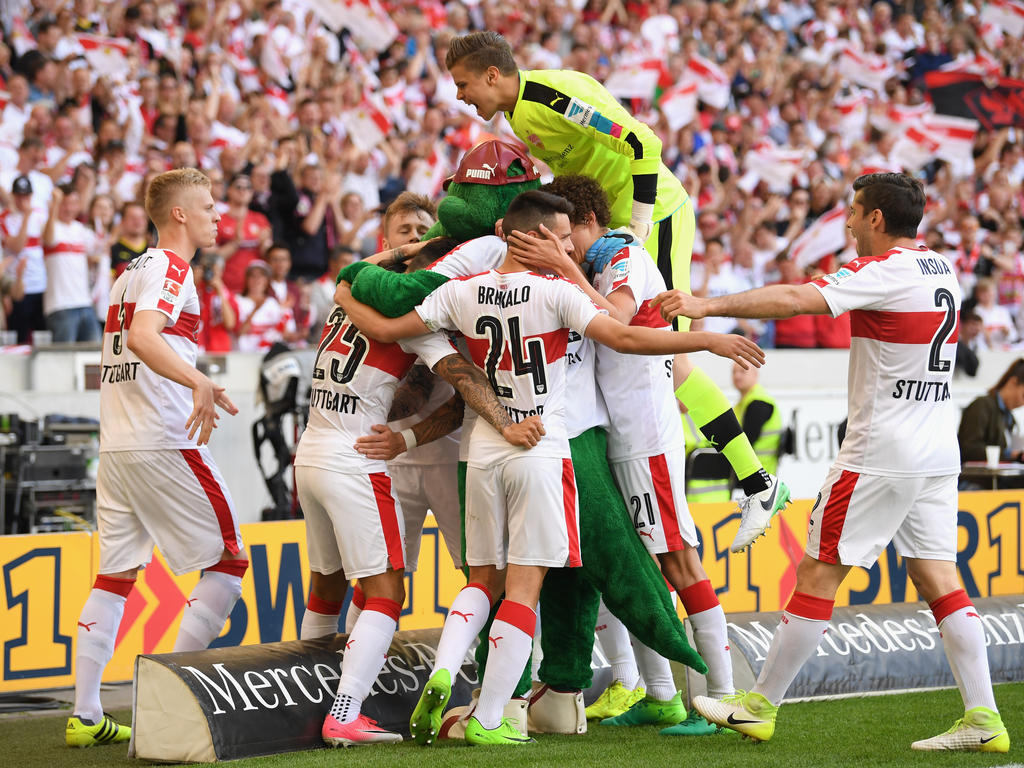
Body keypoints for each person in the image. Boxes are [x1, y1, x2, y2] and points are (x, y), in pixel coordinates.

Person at [336, 189, 763, 746]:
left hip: (484, 449)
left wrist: (346, 296)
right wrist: (709, 339)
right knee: (525, 586)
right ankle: (493, 715)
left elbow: (390, 330)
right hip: (542, 449)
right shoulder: (559, 291)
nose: (569, 248)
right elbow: (627, 335)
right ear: (534, 238)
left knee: (481, 579)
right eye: (560, 238)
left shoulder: (462, 291)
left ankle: (447, 664)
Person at [653, 172, 1010, 753]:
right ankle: (985, 718)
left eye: (853, 211)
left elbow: (797, 298)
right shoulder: (941, 267)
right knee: (940, 580)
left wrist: (705, 305)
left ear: (875, 218)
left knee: (819, 572)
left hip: (880, 451)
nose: (845, 221)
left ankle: (758, 706)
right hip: (936, 448)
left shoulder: (882, 270)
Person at [444, 31, 788, 552]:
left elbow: (642, 142)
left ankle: (758, 484)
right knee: (643, 352)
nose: (460, 96)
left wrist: (642, 225)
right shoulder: (518, 113)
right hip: (611, 224)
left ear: (493, 75)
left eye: (464, 83)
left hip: (657, 215)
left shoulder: (549, 98)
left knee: (672, 360)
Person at [509, 174, 739, 735]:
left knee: (679, 561)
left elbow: (620, 324)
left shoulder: (624, 256)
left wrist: (564, 270)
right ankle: (659, 693)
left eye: (566, 237)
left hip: (647, 437)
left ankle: (725, 698)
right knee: (631, 566)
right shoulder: (599, 259)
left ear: (584, 221)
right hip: (620, 434)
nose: (563, 249)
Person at [293, 247, 544, 747]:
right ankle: (345, 713)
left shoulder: (344, 300)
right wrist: (507, 423)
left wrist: (397, 252)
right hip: (356, 460)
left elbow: (356, 269)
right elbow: (464, 378)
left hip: (310, 453)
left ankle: (304, 699)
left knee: (327, 583)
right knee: (388, 592)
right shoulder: (414, 321)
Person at [67, 168, 248, 747]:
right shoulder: (171, 267)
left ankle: (87, 714)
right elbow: (147, 338)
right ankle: (164, 705)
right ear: (179, 215)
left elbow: (140, 339)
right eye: (209, 206)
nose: (218, 215)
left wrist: (195, 379)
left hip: (117, 441)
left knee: (116, 574)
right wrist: (198, 379)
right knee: (228, 562)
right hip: (162, 437)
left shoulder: (131, 271)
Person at [957, 358, 1024, 474]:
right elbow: (968, 449)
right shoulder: (981, 405)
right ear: (1013, 382)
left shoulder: (1008, 417)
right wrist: (1011, 454)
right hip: (975, 481)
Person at [732, 363, 783, 478]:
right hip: (751, 470)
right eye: (734, 372)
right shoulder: (744, 402)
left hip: (756, 472)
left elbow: (745, 441)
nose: (737, 376)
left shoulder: (758, 403)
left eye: (742, 371)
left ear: (755, 375)